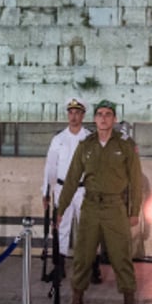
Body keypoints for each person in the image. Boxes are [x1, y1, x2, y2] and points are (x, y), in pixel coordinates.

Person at [57, 99, 144, 304]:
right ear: (94, 119)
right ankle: (77, 303)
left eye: (108, 114)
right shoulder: (86, 145)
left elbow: (136, 180)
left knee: (121, 256)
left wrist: (134, 211)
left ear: (114, 119)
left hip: (115, 207)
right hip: (91, 207)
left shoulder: (125, 144)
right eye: (100, 114)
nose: (103, 118)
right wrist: (61, 209)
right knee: (82, 256)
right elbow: (72, 178)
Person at [42, 98, 102, 283]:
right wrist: (45, 191)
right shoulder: (58, 139)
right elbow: (50, 167)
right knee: (61, 228)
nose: (73, 116)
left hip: (84, 189)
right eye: (71, 112)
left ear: (83, 115)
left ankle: (93, 267)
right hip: (62, 188)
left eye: (77, 113)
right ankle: (59, 268)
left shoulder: (90, 138)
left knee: (88, 228)